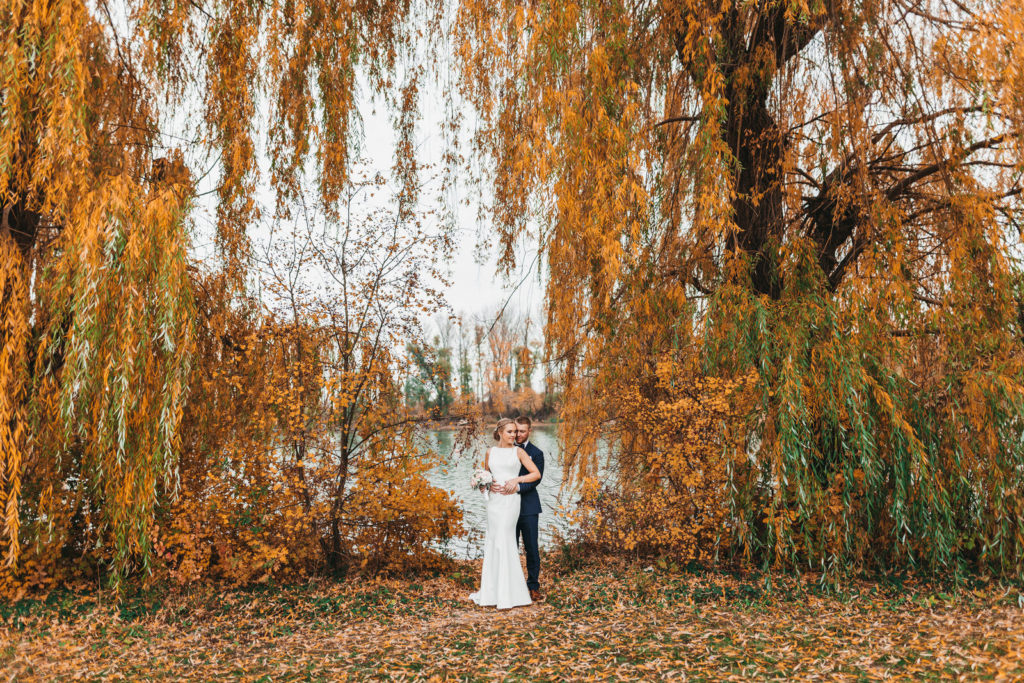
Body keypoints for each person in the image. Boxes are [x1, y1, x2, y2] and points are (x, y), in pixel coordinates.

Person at [469, 418, 541, 609]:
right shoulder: (489, 452)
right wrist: (483, 484)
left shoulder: (519, 452)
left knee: (505, 540)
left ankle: (510, 593)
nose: (514, 435)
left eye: (515, 431)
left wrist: (516, 480)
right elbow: (487, 474)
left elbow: (536, 474)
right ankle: (493, 592)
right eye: (510, 431)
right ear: (500, 432)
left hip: (510, 501)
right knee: (494, 541)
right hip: (494, 503)